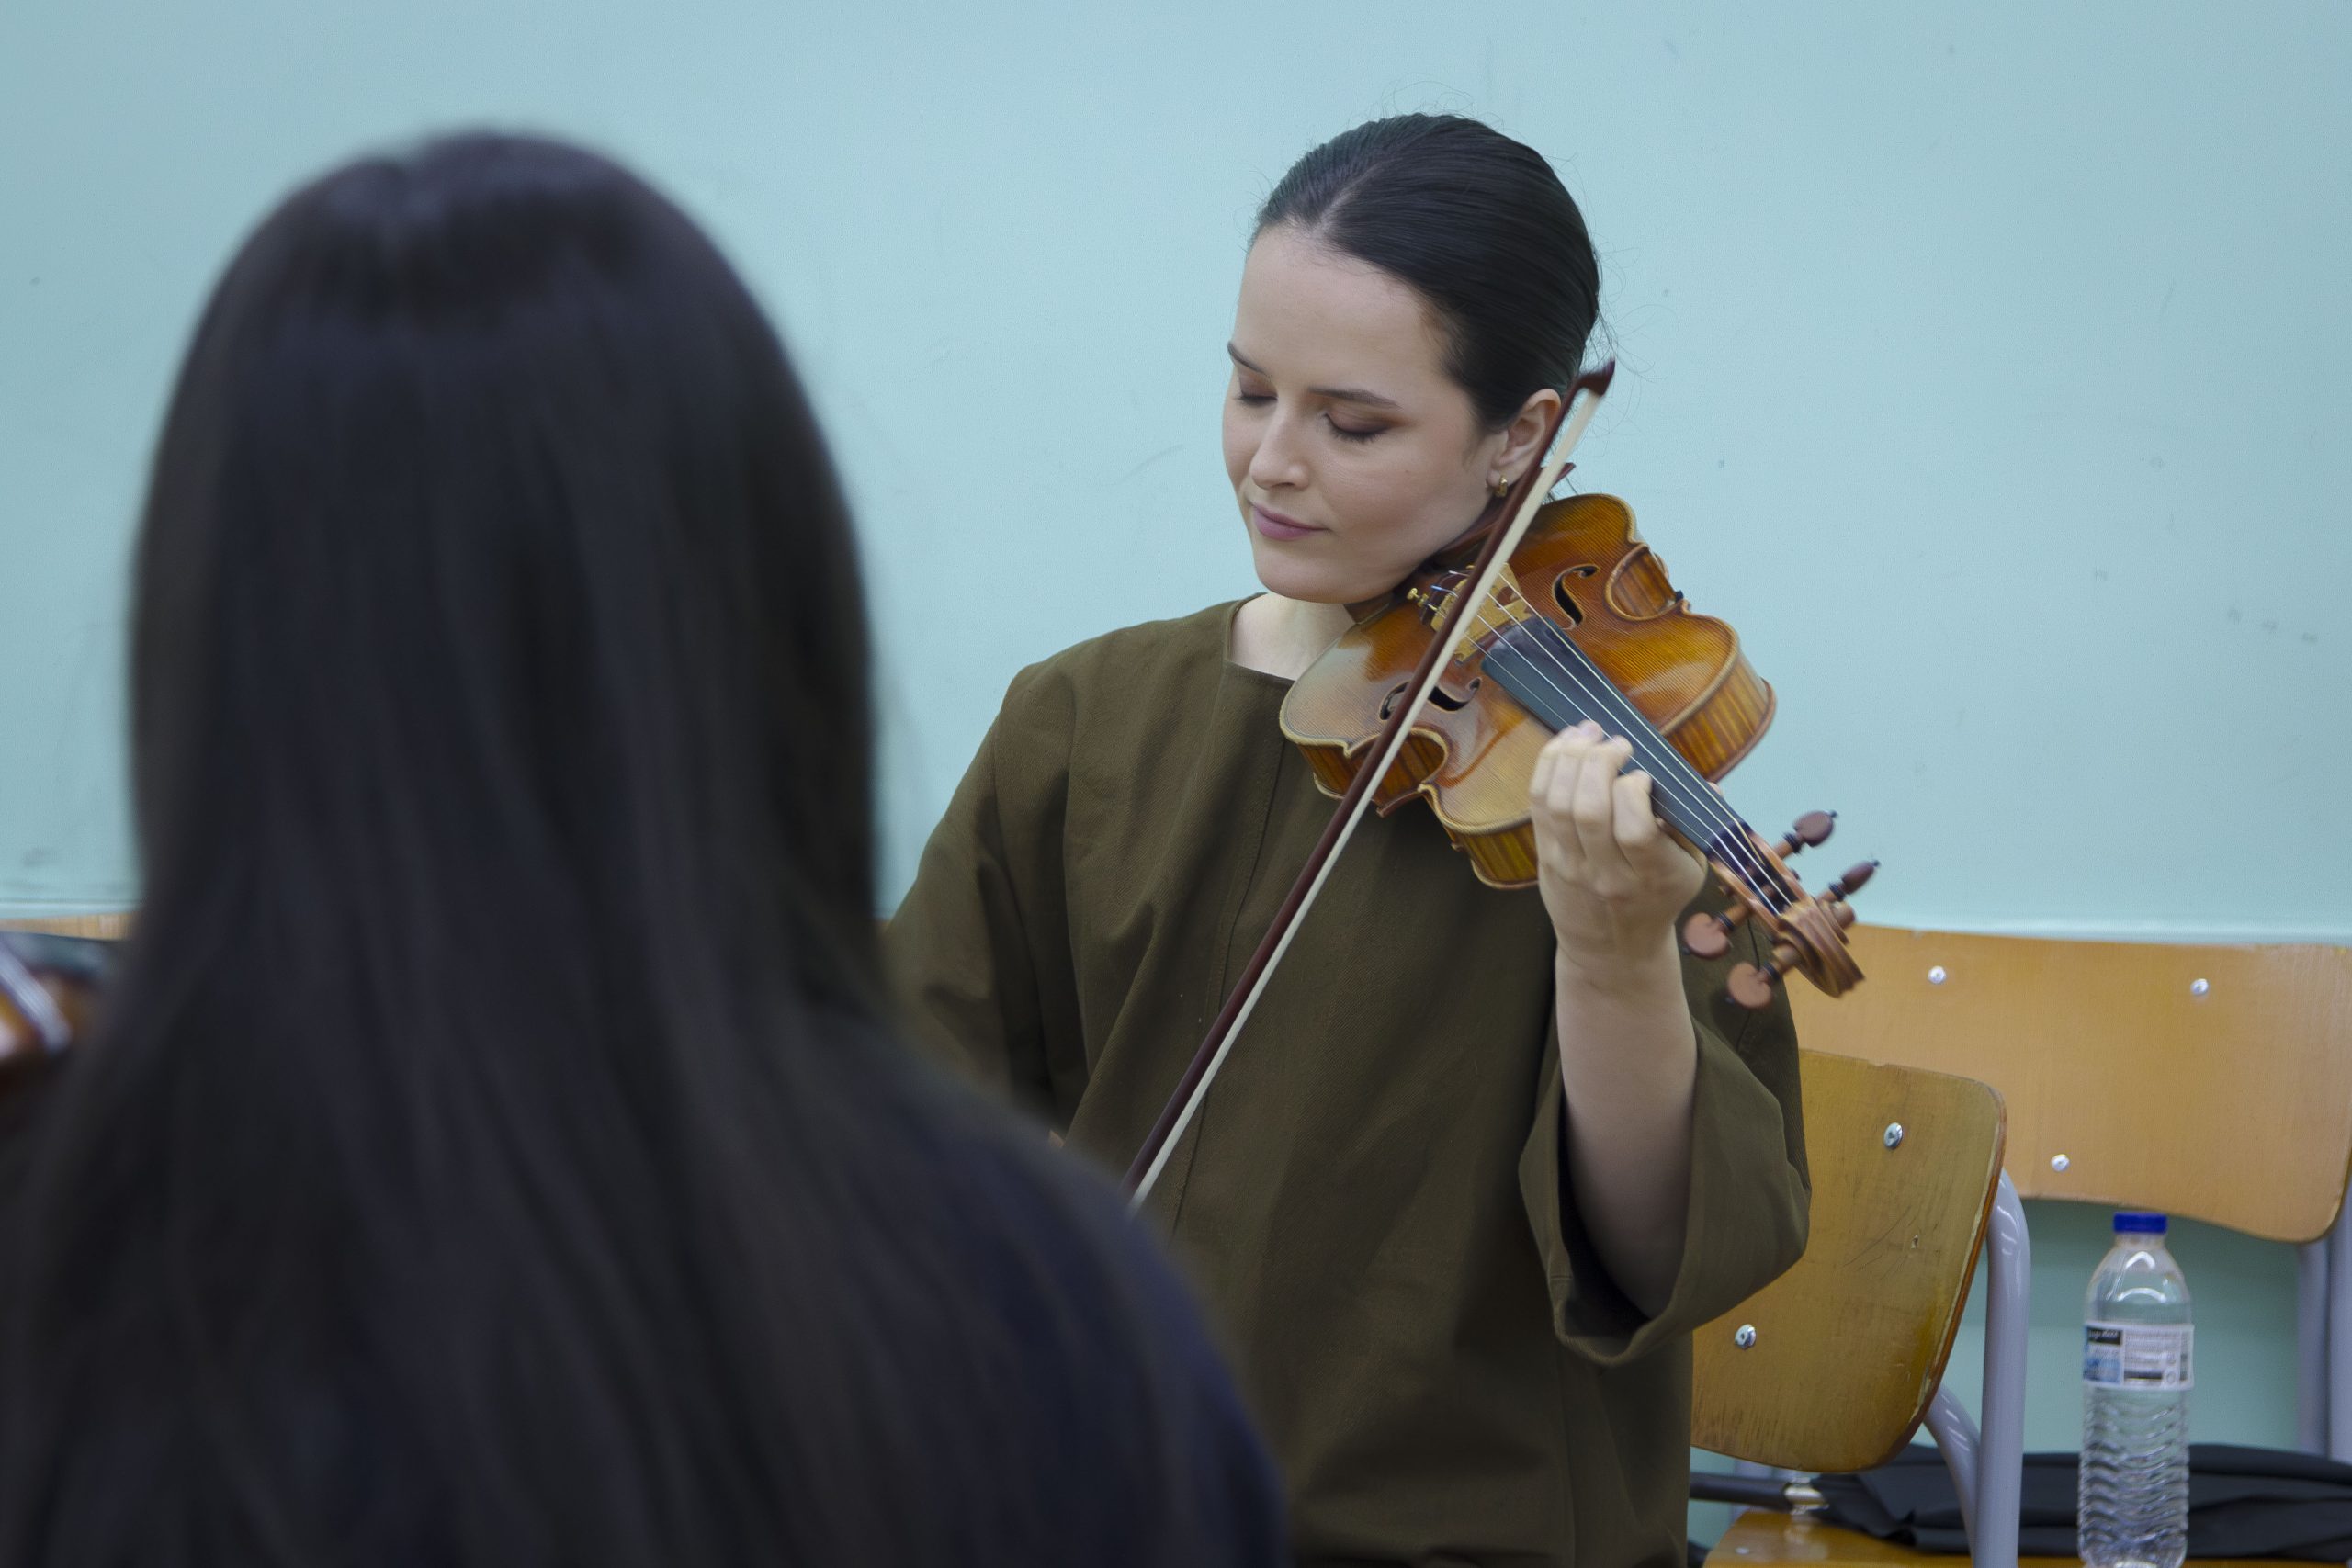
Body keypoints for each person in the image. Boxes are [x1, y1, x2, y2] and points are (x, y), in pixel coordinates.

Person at [0, 132, 1283, 1568]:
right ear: (774, 620)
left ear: (207, 630)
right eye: (1252, 392)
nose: (1280, 457)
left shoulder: (74, 1278)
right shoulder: (1058, 1325)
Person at [888, 113, 1811, 1567]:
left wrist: (1616, 952)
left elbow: (1659, 1257)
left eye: (1354, 424)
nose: (1272, 462)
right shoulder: (1083, 715)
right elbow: (897, 1115)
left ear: (1525, 439)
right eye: (1251, 390)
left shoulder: (1602, 785)